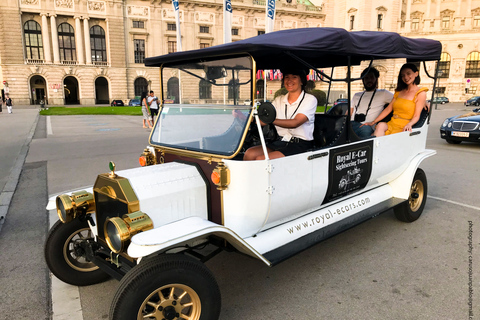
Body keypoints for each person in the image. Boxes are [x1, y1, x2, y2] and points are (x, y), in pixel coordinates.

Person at [244, 68, 317, 160]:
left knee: (261, 159)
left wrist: (270, 120)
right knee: (249, 153)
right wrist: (247, 118)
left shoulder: (310, 99)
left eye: (294, 77)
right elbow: (263, 122)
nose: (289, 80)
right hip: (281, 141)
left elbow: (295, 122)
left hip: (300, 144)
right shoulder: (279, 99)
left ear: (302, 81)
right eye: (287, 77)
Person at [363, 63, 428, 136]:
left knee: (376, 136)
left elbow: (416, 115)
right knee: (380, 125)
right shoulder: (399, 92)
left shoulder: (420, 93)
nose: (406, 77)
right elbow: (388, 109)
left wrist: (410, 124)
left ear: (416, 74)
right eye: (402, 75)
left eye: (408, 74)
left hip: (404, 126)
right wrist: (373, 122)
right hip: (392, 123)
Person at [350, 67, 393, 138]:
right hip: (352, 124)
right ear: (363, 80)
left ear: (376, 78)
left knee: (365, 132)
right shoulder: (356, 95)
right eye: (366, 78)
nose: (369, 80)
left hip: (366, 126)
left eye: (371, 77)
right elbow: (350, 111)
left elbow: (399, 100)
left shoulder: (383, 93)